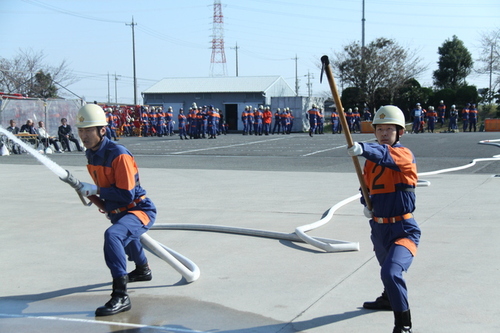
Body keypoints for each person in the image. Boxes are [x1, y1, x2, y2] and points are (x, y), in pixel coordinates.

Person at [74, 104, 156, 316]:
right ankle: (143, 270)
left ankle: (121, 295)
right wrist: (88, 192)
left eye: (88, 130)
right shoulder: (91, 155)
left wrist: (97, 189)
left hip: (139, 209)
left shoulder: (119, 154)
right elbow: (106, 194)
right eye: (81, 131)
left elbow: (127, 194)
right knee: (127, 237)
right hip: (118, 211)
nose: (84, 135)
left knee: (114, 236)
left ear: (102, 130)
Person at [347, 105, 421, 333]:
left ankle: (404, 325)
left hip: (403, 229)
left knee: (391, 272)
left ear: (400, 132)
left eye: (390, 129)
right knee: (385, 268)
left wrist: (362, 148)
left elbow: (384, 154)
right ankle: (389, 298)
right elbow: (366, 190)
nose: (384, 133)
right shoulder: (370, 162)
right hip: (379, 228)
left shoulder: (403, 154)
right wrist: (366, 205)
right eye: (380, 129)